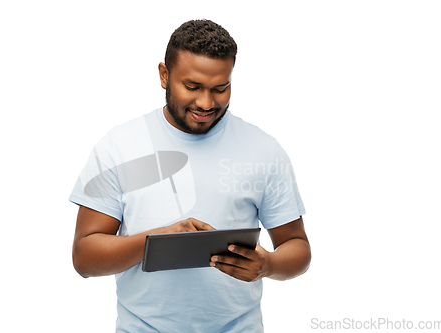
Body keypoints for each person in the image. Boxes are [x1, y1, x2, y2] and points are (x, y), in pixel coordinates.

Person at [70, 19, 311, 332]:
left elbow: (297, 246)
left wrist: (269, 265)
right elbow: (84, 258)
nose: (206, 103)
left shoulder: (263, 150)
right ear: (164, 75)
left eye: (220, 89)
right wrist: (154, 241)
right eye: (193, 87)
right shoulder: (119, 146)